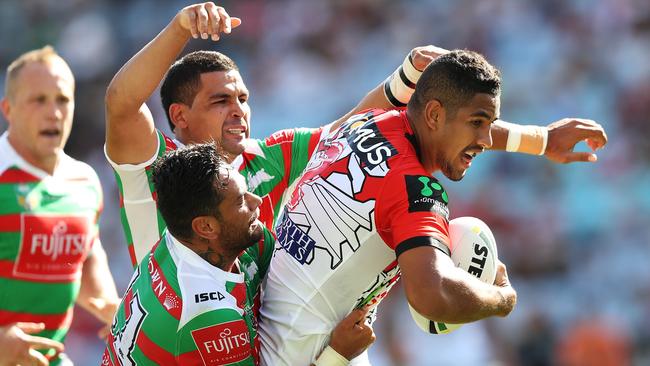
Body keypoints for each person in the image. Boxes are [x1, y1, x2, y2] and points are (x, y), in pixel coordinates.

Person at [104, 2, 608, 268]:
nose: (239, 110)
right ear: (179, 116)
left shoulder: (270, 159)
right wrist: (180, 27)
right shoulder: (155, 168)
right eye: (220, 101)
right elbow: (121, 103)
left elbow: (374, 127)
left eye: (243, 98)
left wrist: (537, 140)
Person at [256, 50, 576, 365]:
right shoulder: (414, 188)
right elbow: (431, 296)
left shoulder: (369, 120)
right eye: (477, 123)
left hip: (276, 333)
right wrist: (502, 299)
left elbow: (459, 117)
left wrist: (541, 140)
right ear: (434, 114)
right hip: (299, 355)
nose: (486, 139)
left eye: (489, 123)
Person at [102, 143, 375, 365]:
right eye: (241, 201)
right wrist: (338, 354)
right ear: (206, 226)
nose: (257, 202)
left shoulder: (196, 239)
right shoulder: (209, 315)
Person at [0, 46, 120, 365]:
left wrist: (112, 308)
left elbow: (84, 255)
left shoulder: (84, 181)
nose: (53, 111)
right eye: (38, 100)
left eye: (62, 99)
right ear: (8, 109)